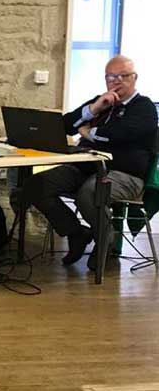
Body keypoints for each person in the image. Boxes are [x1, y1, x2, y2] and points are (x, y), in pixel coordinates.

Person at [23, 55, 157, 270]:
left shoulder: (144, 107)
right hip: (85, 166)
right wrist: (94, 109)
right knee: (36, 184)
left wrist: (89, 132)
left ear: (134, 78)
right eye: (111, 77)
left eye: (123, 76)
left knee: (90, 193)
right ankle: (76, 233)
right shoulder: (101, 101)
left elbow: (121, 134)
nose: (116, 81)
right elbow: (65, 126)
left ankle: (105, 240)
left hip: (125, 174)